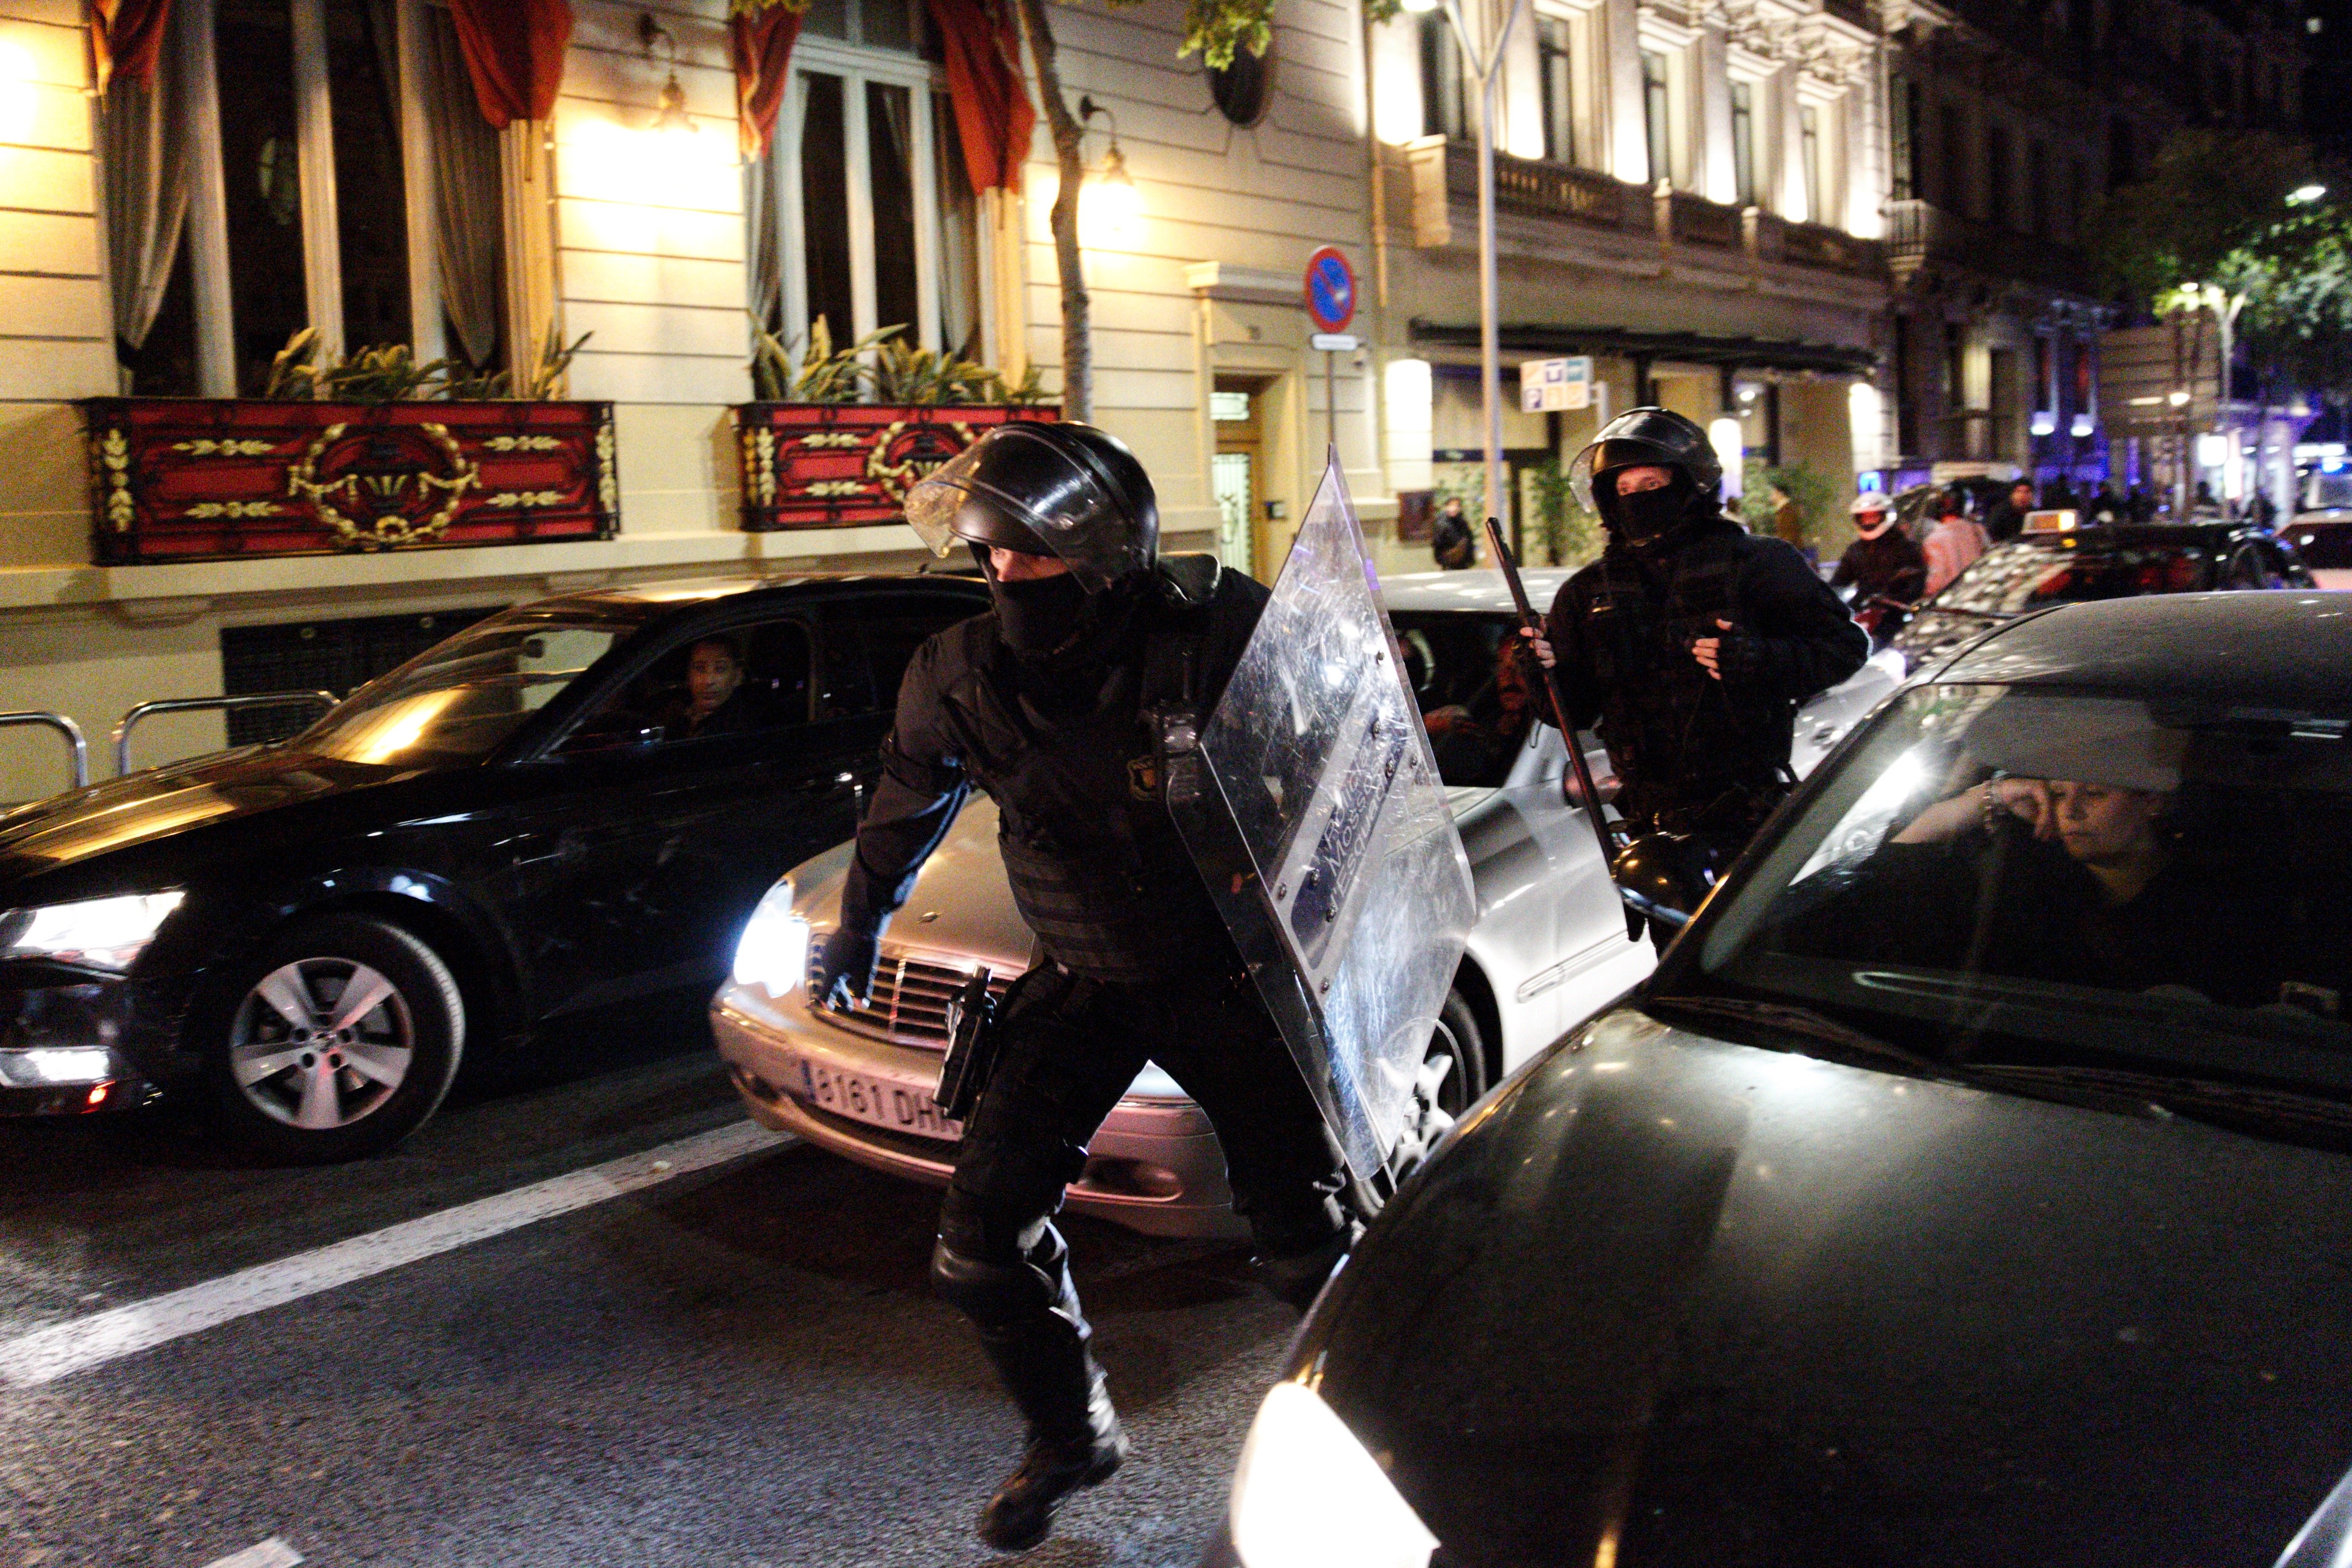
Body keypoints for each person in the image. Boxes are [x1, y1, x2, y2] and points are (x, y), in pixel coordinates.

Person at [809, 422, 1353, 1552]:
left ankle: (1387, 1440)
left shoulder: (1209, 631)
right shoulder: (957, 670)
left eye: (1031, 556)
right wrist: (857, 921)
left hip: (1226, 977)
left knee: (1306, 1247)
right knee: (978, 1245)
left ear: (1104, 555)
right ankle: (1070, 1435)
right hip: (1083, 972)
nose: (1007, 576)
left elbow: (1336, 758)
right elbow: (904, 801)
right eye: (989, 557)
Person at [1519, 407, 1867, 935]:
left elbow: (1844, 647)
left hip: (1748, 819)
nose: (1638, 496)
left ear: (1689, 484)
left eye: (1653, 482)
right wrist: (1542, 672)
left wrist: (1758, 660)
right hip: (1654, 833)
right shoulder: (1587, 594)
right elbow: (1572, 711)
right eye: (1625, 486)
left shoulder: (1757, 563)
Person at [1829, 490, 1928, 630]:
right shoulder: (1855, 551)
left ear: (1885, 516)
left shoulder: (1906, 548)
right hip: (1862, 615)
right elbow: (1839, 582)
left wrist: (1892, 597)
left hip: (1897, 618)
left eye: (1873, 516)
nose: (1868, 521)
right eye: (1864, 517)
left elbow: (1917, 584)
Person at [658, 633, 762, 739]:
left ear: (738, 676)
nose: (708, 681)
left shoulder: (742, 725)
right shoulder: (675, 710)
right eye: (700, 669)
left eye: (720, 669)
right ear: (689, 674)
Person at [1922, 487, 1989, 598]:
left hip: (1952, 602)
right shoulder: (1978, 531)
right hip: (1978, 598)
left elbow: (1937, 581)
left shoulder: (1934, 539)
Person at [1430, 495, 1476, 569]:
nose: (1454, 508)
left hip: (1463, 564)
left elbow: (1469, 541)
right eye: (1451, 505)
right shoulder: (1441, 524)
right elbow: (1438, 544)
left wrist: (1470, 559)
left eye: (1457, 506)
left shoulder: (1463, 523)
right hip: (1449, 564)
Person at [1985, 478, 2036, 543]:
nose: (2023, 496)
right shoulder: (2001, 513)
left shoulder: (2034, 513)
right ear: (2012, 495)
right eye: (2019, 492)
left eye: (2027, 492)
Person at [1767, 481, 1806, 549]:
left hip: (1791, 552)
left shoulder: (1787, 511)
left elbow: (1790, 535)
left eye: (1774, 493)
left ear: (1781, 494)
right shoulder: (1784, 510)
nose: (1771, 496)